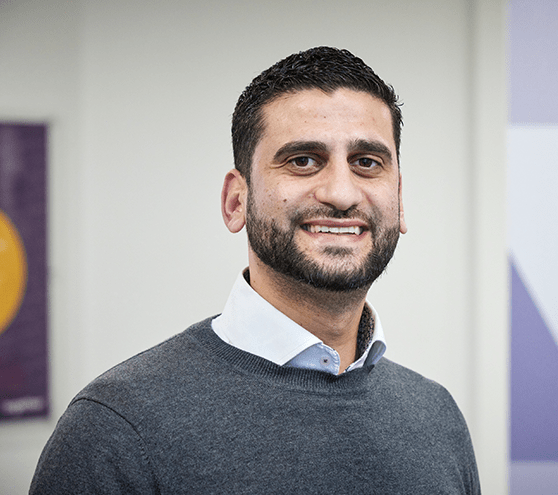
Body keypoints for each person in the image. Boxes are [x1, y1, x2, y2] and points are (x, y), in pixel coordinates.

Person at [30, 47, 481, 494]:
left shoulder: (436, 416)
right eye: (303, 160)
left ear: (399, 199)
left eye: (367, 163)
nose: (342, 193)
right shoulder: (116, 428)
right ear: (235, 201)